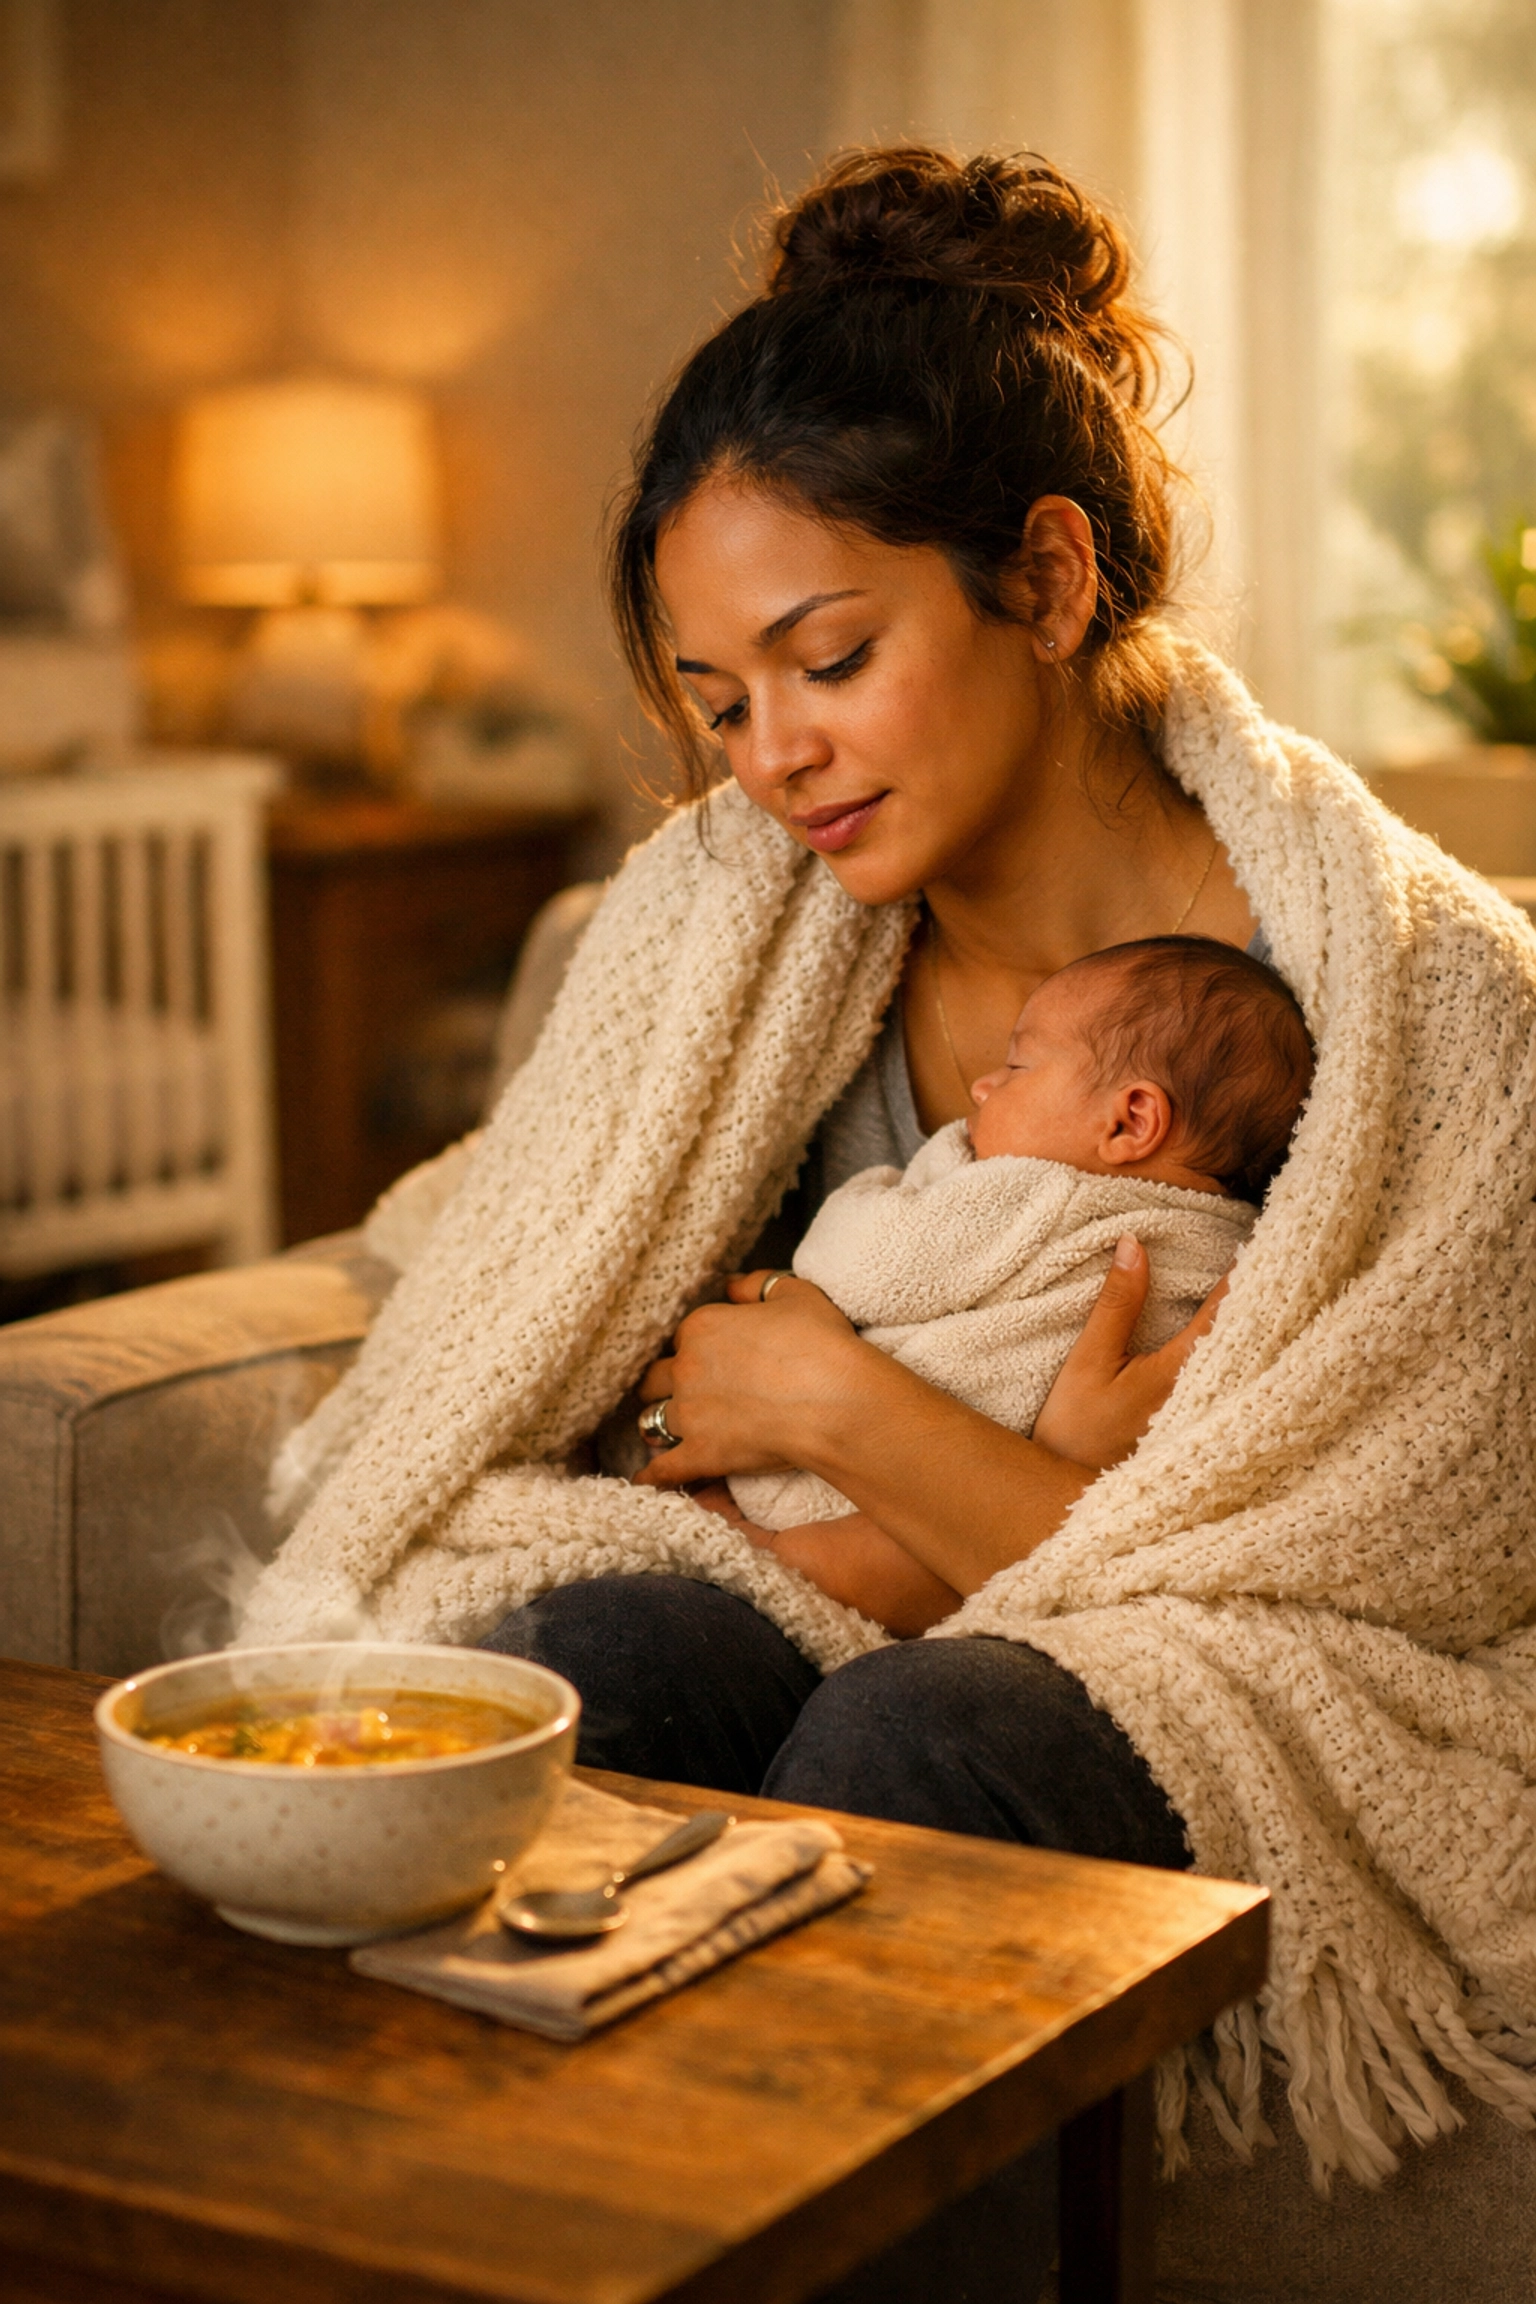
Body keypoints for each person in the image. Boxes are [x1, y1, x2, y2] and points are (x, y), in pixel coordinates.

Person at [241, 142, 1536, 2233]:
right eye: (721, 698)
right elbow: (615, 1372)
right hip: (826, 1579)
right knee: (588, 1657)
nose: (773, 760)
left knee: (907, 1746)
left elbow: (1375, 1545)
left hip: (1194, 1669)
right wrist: (889, 1467)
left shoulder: (1402, 1010)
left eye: (829, 659)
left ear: (1046, 578)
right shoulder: (733, 943)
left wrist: (854, 1414)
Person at [714, 935, 1311, 1636]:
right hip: (1035, 1533)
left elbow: (865, 1269)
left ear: (1130, 1121)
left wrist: (894, 1182)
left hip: (887, 1488)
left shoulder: (1036, 1198)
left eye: (1017, 1065)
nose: (983, 1085)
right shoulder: (1224, 1244)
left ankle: (759, 1549)